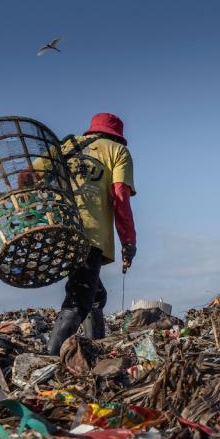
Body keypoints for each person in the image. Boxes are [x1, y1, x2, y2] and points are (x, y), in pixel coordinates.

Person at [46, 113, 137, 354]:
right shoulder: (117, 152)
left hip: (57, 231)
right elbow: (120, 198)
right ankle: (46, 361)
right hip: (89, 236)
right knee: (77, 303)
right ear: (117, 136)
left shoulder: (65, 146)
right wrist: (128, 242)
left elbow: (27, 177)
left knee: (95, 293)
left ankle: (96, 346)